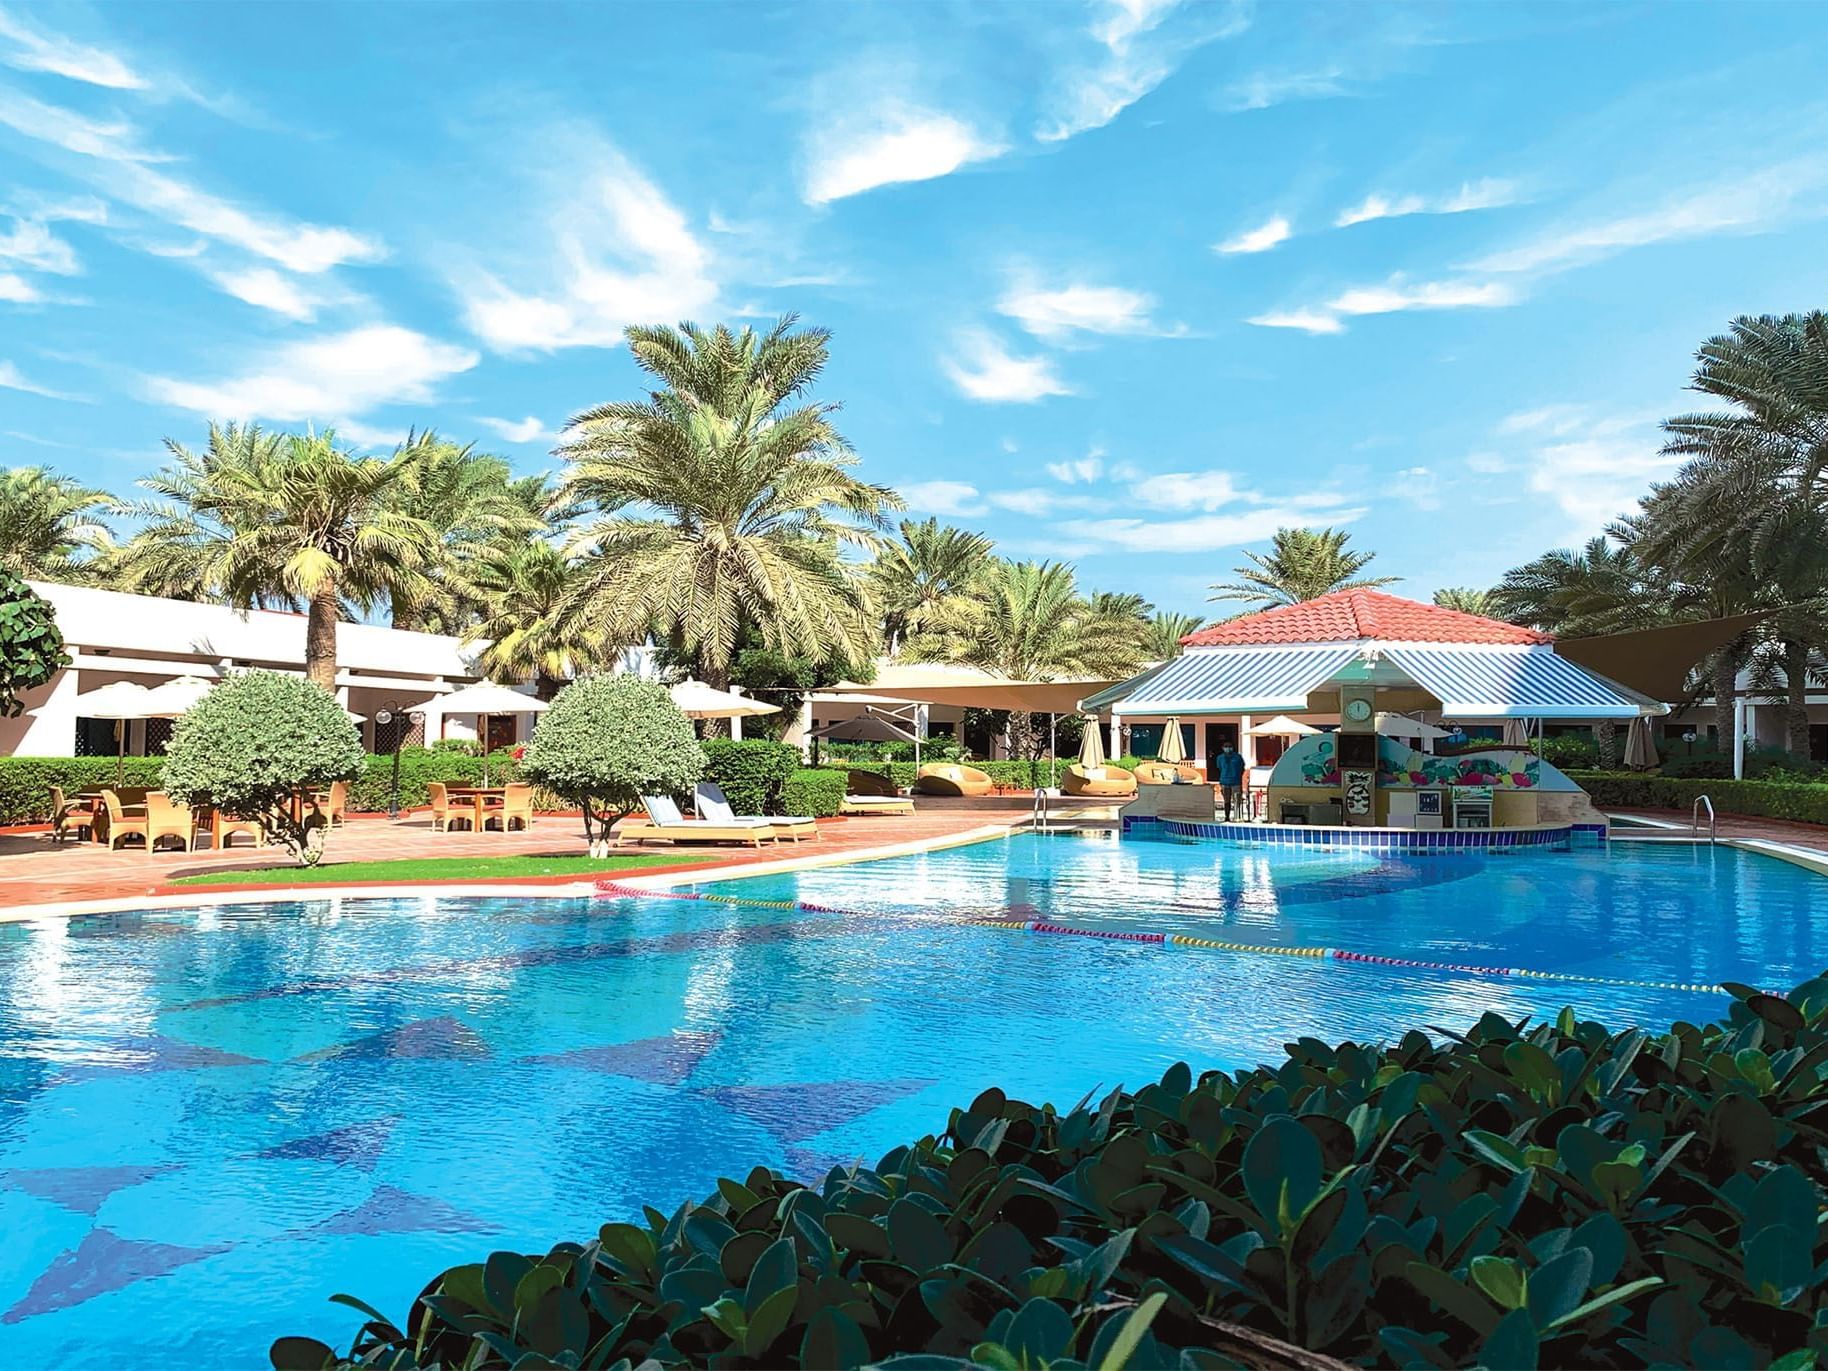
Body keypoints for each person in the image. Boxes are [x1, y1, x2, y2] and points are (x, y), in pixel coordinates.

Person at [1215, 741, 1246, 820]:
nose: (1227, 748)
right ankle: (1227, 816)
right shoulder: (1220, 758)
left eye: (1229, 746)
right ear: (1223, 748)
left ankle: (1237, 817)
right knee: (1226, 801)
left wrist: (1237, 776)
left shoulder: (1238, 757)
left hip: (1236, 782)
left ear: (1232, 748)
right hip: (1225, 782)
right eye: (1226, 746)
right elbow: (1219, 768)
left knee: (1237, 801)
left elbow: (1242, 768)